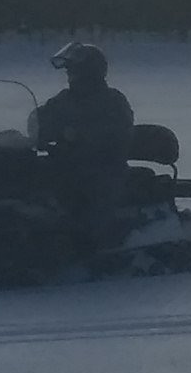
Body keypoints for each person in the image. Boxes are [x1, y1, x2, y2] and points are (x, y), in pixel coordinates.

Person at [38, 41, 140, 232]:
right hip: (68, 163)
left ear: (90, 72)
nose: (70, 76)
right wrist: (28, 131)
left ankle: (91, 246)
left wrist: (79, 135)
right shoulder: (64, 99)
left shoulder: (112, 100)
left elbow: (116, 132)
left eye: (74, 71)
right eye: (69, 72)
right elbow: (41, 118)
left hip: (103, 168)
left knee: (88, 205)